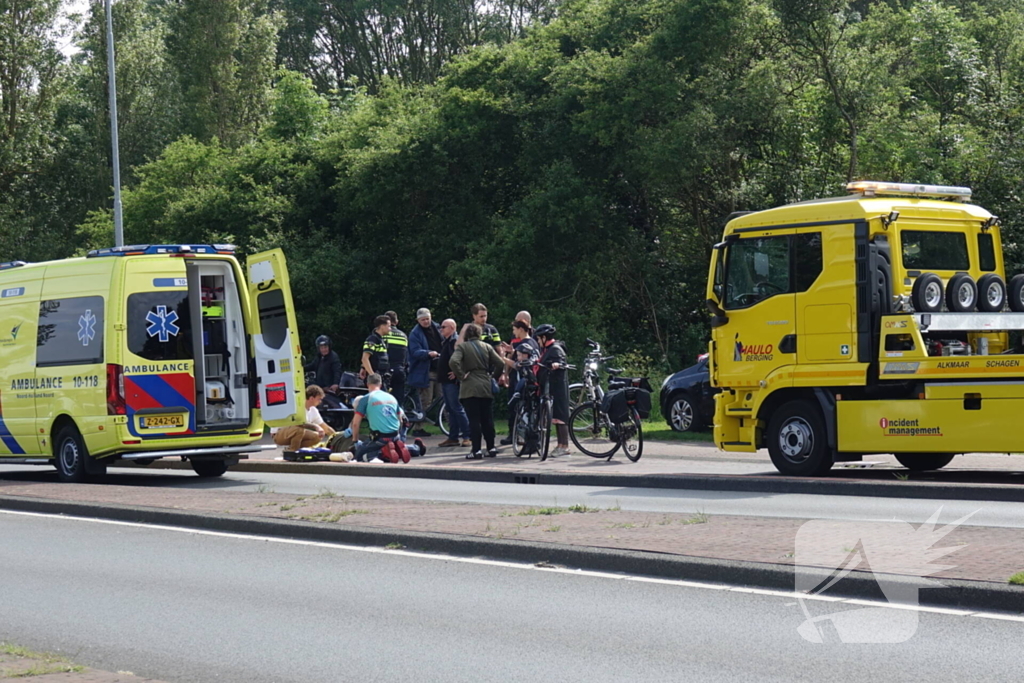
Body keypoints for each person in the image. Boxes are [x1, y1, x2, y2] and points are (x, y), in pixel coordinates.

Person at [449, 323, 505, 459]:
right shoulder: (487, 346)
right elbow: (500, 363)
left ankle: (476, 450)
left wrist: (461, 375)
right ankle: (491, 448)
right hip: (485, 385)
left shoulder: (463, 347)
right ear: (480, 334)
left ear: (467, 335)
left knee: (474, 420)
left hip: (470, 386)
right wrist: (494, 377)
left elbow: (453, 361)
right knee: (488, 419)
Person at [344, 374, 419, 463]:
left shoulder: (366, 399)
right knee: (389, 445)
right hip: (395, 435)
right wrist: (397, 435)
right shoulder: (391, 397)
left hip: (380, 437)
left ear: (367, 384)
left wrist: (355, 441)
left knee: (359, 455)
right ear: (380, 384)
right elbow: (400, 419)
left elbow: (356, 423)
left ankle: (381, 453)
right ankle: (408, 448)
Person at [499, 319, 541, 445]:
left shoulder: (525, 344)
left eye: (514, 329)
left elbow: (519, 364)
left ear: (521, 329)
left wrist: (503, 358)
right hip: (532, 380)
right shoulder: (533, 342)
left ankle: (521, 437)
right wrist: (512, 352)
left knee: (519, 408)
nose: (513, 332)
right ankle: (521, 436)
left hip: (524, 380)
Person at [535, 323, 571, 457]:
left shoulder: (555, 349)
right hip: (551, 387)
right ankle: (560, 445)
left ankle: (564, 446)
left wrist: (557, 364)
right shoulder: (548, 348)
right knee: (556, 417)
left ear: (544, 337)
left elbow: (561, 361)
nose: (538, 341)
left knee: (560, 416)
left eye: (539, 339)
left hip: (558, 387)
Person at [436, 318, 471, 448]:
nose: (441, 329)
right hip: (445, 380)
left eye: (443, 327)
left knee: (457, 408)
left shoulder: (454, 342)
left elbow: (460, 358)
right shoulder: (447, 341)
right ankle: (453, 437)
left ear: (451, 328)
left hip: (452, 382)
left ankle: (467, 436)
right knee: (450, 409)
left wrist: (457, 372)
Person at [408, 307, 443, 437]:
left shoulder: (438, 328)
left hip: (440, 369)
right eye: (423, 320)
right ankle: (418, 427)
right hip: (426, 371)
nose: (426, 321)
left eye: (427, 318)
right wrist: (429, 354)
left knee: (443, 398)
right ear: (418, 320)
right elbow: (415, 351)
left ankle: (453, 427)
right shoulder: (415, 333)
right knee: (425, 400)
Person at [272, 385, 330, 451]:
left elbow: (326, 428)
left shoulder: (313, 410)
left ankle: (293, 450)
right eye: (319, 399)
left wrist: (337, 436)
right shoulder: (297, 407)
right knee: (299, 429)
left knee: (317, 436)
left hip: (295, 433)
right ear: (311, 398)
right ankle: (293, 451)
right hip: (278, 434)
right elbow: (298, 423)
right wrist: (316, 426)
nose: (320, 401)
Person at [383, 311, 409, 403]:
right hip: (399, 370)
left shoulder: (383, 334)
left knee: (383, 400)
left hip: (385, 371)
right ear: (396, 322)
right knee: (398, 401)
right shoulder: (403, 336)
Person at [361, 315, 391, 382]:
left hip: (381, 377)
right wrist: (372, 376)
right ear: (382, 326)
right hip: (375, 378)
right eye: (388, 326)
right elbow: (365, 358)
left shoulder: (382, 340)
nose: (390, 329)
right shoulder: (372, 340)